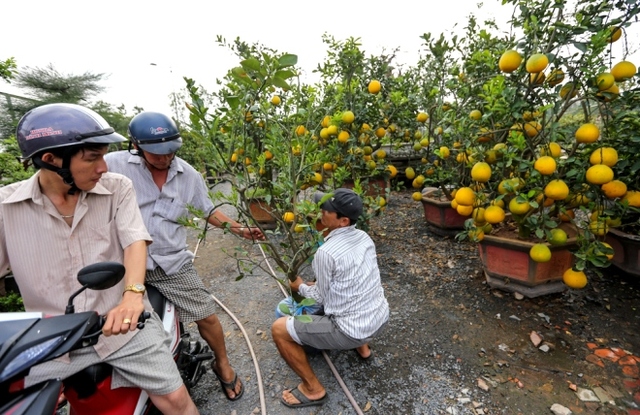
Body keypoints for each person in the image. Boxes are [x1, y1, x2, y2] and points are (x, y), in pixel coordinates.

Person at [0, 103, 199, 414]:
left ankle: (224, 369)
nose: (104, 167)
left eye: (104, 156)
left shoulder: (117, 188)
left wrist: (132, 296)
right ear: (51, 160)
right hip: (51, 341)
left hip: (121, 324)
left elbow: (134, 240)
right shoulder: (6, 207)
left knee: (176, 401)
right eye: (93, 158)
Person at [105, 111, 264, 401]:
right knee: (110, 320)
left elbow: (208, 210)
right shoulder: (112, 165)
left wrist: (239, 229)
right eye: (156, 154)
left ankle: (223, 364)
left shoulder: (188, 175)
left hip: (170, 261)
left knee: (206, 315)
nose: (164, 159)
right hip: (123, 260)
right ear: (136, 146)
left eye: (170, 152)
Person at [271, 188, 390, 408]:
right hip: (380, 317)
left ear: (343, 220)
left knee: (279, 328)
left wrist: (300, 286)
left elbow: (318, 298)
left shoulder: (326, 252)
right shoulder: (363, 236)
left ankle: (313, 389)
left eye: (326, 210)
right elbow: (353, 280)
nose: (321, 211)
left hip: (350, 328)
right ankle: (363, 348)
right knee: (351, 294)